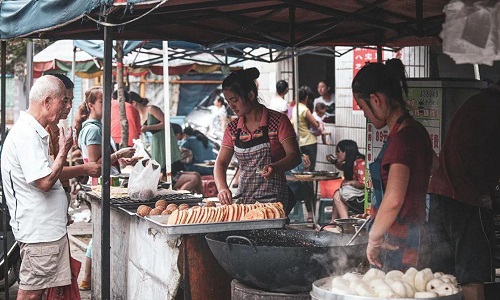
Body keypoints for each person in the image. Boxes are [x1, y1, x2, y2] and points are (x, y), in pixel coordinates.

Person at [352, 59, 433, 272]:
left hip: (402, 239)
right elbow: (436, 168)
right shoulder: (416, 131)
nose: (364, 114)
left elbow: (394, 199)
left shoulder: (401, 140)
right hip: (413, 231)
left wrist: (374, 239)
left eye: (362, 107)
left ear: (376, 99)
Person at [0, 75, 74, 299]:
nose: (68, 106)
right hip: (39, 235)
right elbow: (44, 182)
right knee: (31, 294)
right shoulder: (26, 136)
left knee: (39, 292)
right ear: (48, 101)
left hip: (47, 233)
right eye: (64, 101)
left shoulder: (34, 132)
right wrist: (63, 151)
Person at [427, 82, 500, 300]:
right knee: (473, 275)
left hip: (442, 193)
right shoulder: (494, 108)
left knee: (442, 275)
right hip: (468, 196)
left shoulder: (478, 103)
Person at [74, 86, 136, 290]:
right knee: (101, 233)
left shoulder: (98, 126)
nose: (106, 106)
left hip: (109, 184)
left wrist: (121, 157)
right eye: (102, 102)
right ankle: (87, 276)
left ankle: (89, 277)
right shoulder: (92, 129)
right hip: (101, 186)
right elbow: (95, 166)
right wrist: (118, 155)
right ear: (91, 105)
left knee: (102, 232)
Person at [214, 67, 301, 211]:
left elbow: (294, 156)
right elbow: (220, 164)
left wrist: (275, 167)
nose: (232, 106)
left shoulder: (278, 121)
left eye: (235, 100)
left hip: (274, 202)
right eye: (228, 101)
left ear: (251, 95)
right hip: (244, 200)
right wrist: (222, 188)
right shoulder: (233, 128)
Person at [128, 91, 167, 176]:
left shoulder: (151, 109)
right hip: (153, 143)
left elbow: (166, 123)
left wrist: (148, 128)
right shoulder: (138, 115)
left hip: (163, 141)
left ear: (134, 103)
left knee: (162, 168)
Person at [326, 140, 366, 220]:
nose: (336, 154)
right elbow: (343, 167)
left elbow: (364, 183)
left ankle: (344, 221)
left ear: (345, 152)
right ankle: (333, 222)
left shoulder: (360, 163)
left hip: (363, 197)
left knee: (338, 195)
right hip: (357, 193)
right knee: (337, 194)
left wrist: (351, 182)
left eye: (338, 151)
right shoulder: (351, 161)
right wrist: (334, 161)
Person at [291, 85, 320, 171]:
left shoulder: (294, 108)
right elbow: (315, 124)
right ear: (306, 97)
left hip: (300, 142)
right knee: (310, 169)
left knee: (302, 169)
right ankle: (309, 185)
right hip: (309, 142)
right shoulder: (305, 110)